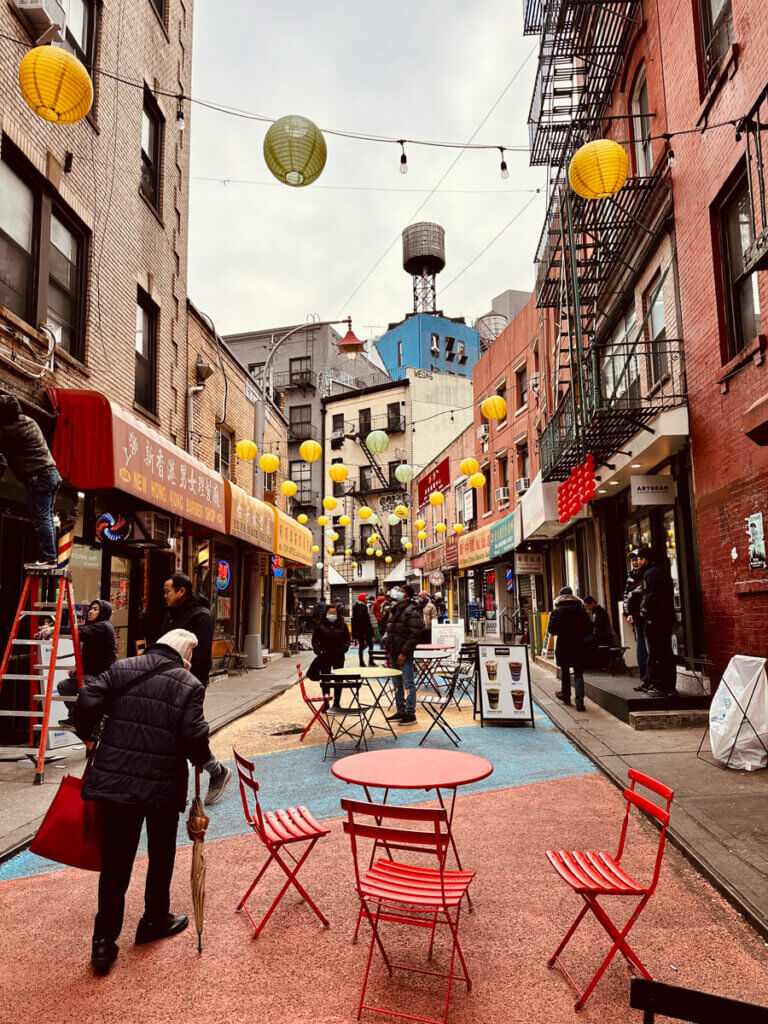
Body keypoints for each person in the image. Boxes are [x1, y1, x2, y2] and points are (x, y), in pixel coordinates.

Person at [70, 629, 212, 976]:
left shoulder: (121, 668)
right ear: (183, 654)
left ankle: (103, 942)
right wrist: (204, 759)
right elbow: (194, 737)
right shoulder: (189, 684)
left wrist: (90, 736)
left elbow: (85, 702)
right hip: (162, 783)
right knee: (161, 854)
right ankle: (153, 920)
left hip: (118, 779)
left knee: (117, 861)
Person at [159, 574, 230, 806]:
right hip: (166, 679)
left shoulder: (201, 616)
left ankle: (216, 771)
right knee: (168, 731)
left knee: (188, 731)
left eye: (168, 591)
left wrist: (189, 682)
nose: (165, 596)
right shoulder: (172, 614)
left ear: (182, 591)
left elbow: (200, 657)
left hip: (191, 682)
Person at [0, 395, 62, 568]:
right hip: (50, 474)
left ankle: (49, 558)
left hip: (39, 477)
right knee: (46, 518)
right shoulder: (28, 420)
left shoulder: (10, 429)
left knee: (41, 519)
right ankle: (50, 557)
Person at [39, 600, 117, 723]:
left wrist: (54, 629)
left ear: (104, 612)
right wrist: (78, 667)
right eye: (90, 609)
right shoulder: (97, 627)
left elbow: (79, 632)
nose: (91, 611)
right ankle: (76, 718)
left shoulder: (104, 626)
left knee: (78, 689)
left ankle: (81, 719)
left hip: (100, 678)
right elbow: (92, 654)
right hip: (93, 675)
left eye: (96, 609)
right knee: (64, 686)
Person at [638, 548, 678, 696]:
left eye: (641, 558)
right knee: (666, 652)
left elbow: (650, 596)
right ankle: (669, 687)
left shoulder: (650, 574)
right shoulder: (662, 571)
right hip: (665, 618)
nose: (639, 562)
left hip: (656, 619)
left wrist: (647, 616)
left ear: (647, 559)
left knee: (657, 653)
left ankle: (660, 686)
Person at [383, 584, 424, 725]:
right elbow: (389, 629)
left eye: (401, 591)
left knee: (408, 684)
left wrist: (405, 652)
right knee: (397, 684)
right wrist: (387, 643)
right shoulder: (394, 609)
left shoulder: (412, 610)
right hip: (393, 652)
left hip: (403, 653)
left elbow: (416, 633)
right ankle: (400, 710)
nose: (397, 593)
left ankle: (410, 713)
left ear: (407, 595)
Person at [548, 587, 593, 712]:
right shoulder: (581, 610)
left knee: (565, 672)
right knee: (578, 674)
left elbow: (552, 630)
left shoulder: (556, 612)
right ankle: (580, 702)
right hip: (578, 645)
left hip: (563, 645)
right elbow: (589, 628)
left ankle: (566, 697)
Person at [311, 603, 351, 706]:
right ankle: (326, 703)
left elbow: (347, 639)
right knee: (325, 679)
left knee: (339, 679)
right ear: (326, 613)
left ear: (337, 614)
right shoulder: (320, 624)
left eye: (334, 613)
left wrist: (343, 649)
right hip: (325, 655)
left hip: (338, 655)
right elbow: (315, 640)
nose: (332, 615)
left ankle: (337, 703)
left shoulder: (342, 624)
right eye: (330, 613)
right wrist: (319, 651)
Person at [623, 550, 651, 692]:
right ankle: (645, 679)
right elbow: (625, 597)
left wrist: (634, 594)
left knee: (648, 649)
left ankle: (650, 680)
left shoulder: (647, 574)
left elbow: (645, 593)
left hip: (646, 618)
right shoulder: (630, 577)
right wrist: (627, 613)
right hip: (636, 619)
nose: (635, 563)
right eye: (633, 560)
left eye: (637, 559)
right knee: (641, 650)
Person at [582, 595, 618, 669]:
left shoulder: (600, 611)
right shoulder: (595, 611)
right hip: (599, 635)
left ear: (593, 603)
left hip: (604, 636)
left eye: (588, 606)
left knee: (584, 642)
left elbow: (598, 624)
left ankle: (589, 665)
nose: (588, 609)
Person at [351, 594, 375, 668]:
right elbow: (362, 621)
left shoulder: (357, 606)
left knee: (362, 646)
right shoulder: (362, 607)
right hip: (364, 631)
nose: (367, 599)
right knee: (369, 645)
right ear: (362, 599)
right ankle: (370, 661)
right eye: (366, 598)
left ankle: (362, 662)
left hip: (360, 631)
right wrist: (364, 633)